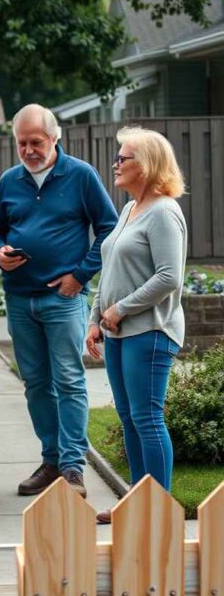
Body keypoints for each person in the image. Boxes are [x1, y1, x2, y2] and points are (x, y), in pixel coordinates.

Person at [0, 104, 118, 499]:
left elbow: (109, 227)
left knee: (69, 380)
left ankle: (73, 468)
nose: (29, 150)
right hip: (20, 298)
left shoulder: (80, 176)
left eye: (36, 142)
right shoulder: (10, 181)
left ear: (55, 138)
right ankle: (51, 461)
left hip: (63, 299)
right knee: (36, 384)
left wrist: (79, 276)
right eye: (22, 143)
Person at [86, 127, 187, 524]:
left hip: (150, 331)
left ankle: (157, 510)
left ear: (146, 165)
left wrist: (121, 309)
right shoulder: (130, 208)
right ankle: (136, 501)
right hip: (117, 330)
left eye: (123, 157)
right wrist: (96, 318)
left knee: (147, 417)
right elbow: (111, 268)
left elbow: (169, 277)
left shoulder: (164, 211)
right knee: (128, 417)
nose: (116, 163)